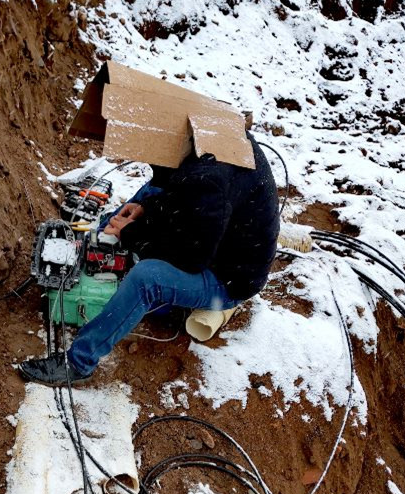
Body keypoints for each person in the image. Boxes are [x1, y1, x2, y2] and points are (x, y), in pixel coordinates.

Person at [19, 132, 280, 386]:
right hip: (218, 241)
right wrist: (147, 208)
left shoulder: (209, 181)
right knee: (150, 191)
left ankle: (78, 363)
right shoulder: (208, 142)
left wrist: (132, 233)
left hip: (227, 279)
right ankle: (103, 238)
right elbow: (187, 204)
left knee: (146, 279)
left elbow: (191, 258)